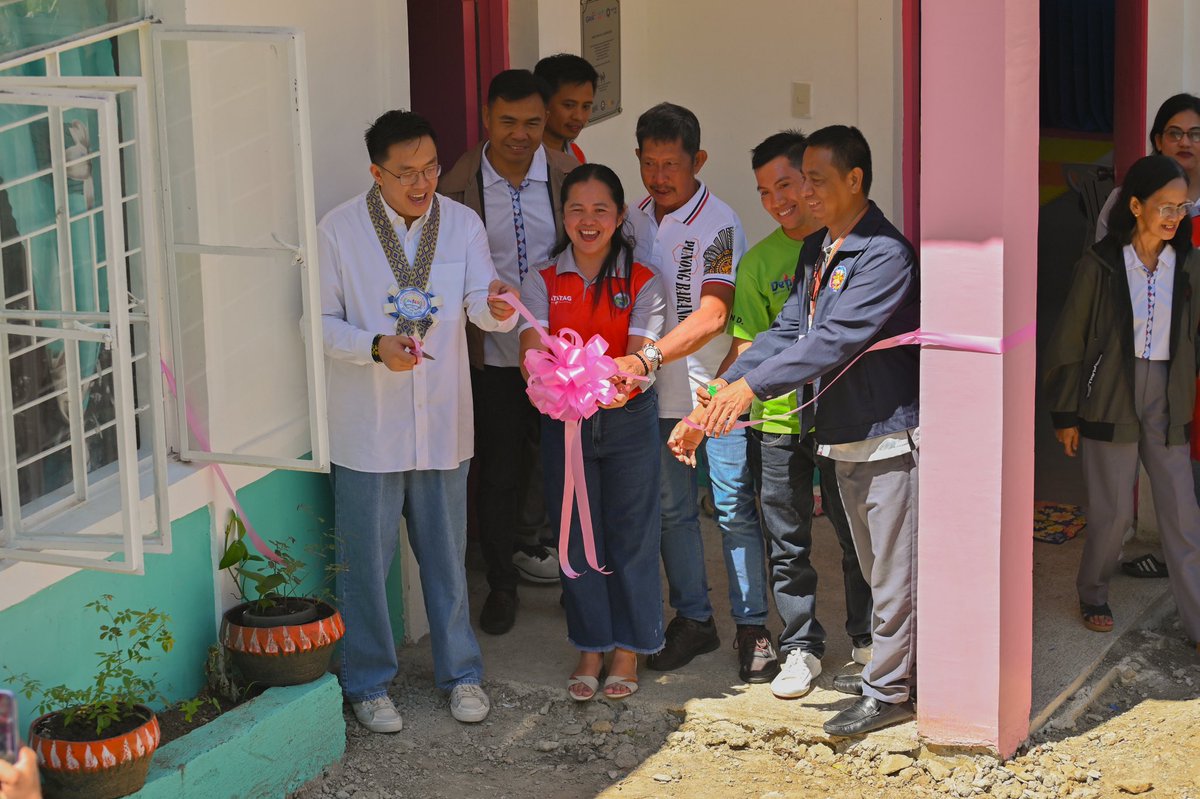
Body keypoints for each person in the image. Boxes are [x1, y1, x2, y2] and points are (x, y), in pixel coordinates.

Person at [700, 125, 920, 736]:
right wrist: (727, 385)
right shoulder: (820, 249)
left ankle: (889, 687)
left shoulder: (884, 254)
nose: (807, 195)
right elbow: (785, 329)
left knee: (890, 570)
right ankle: (891, 670)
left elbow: (833, 339)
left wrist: (751, 388)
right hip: (841, 430)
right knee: (878, 565)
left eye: (816, 180)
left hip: (884, 432)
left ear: (855, 180)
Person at [320, 110, 518, 732]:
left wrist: (495, 308)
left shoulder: (460, 224)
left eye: (430, 167)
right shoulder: (338, 231)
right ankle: (368, 683)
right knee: (366, 565)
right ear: (377, 173)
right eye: (406, 172)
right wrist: (374, 346)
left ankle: (461, 674)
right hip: (367, 428)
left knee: (446, 558)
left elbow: (483, 306)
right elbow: (316, 323)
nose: (422, 182)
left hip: (441, 423)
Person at [670, 130, 873, 699]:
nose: (780, 199)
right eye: (764, 191)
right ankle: (801, 647)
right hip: (778, 424)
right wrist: (708, 408)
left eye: (788, 183)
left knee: (856, 539)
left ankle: (868, 642)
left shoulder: (850, 247)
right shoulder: (760, 262)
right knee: (788, 543)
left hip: (841, 421)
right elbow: (752, 344)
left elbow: (832, 340)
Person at [610, 103, 757, 679]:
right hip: (651, 396)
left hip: (712, 393)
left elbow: (716, 315)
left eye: (671, 164)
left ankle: (754, 628)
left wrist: (646, 356)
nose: (659, 176)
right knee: (672, 512)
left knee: (732, 511)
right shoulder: (633, 218)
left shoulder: (720, 223)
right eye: (649, 163)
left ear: (698, 160)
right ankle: (695, 620)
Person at [519, 163, 668, 701]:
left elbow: (638, 359)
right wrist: (549, 378)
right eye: (576, 209)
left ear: (621, 215)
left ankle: (628, 648)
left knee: (632, 535)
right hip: (566, 424)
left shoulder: (643, 280)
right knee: (577, 539)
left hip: (627, 421)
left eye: (600, 209)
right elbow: (531, 352)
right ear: (563, 216)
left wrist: (608, 380)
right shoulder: (542, 280)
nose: (588, 220)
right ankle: (590, 644)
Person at [442, 70, 580, 633]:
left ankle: (580, 584)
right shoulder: (455, 185)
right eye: (507, 122)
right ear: (486, 119)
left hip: (563, 358)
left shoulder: (572, 177)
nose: (520, 134)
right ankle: (502, 586)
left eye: (531, 122)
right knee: (498, 472)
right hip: (492, 357)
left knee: (567, 469)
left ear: (544, 120)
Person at [1044, 154, 1200, 649]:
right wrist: (1066, 412)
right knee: (1112, 515)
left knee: (1182, 512)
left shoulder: (1188, 264)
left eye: (1182, 207)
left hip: (1168, 397)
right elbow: (1070, 340)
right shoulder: (1102, 265)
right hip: (1109, 396)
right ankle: (1093, 592)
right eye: (1164, 207)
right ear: (1135, 205)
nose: (1174, 217)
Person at [1094, 93, 1200, 581]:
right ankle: (1094, 584)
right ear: (1157, 140)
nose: (1185, 142)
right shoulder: (1125, 203)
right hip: (1137, 363)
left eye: (1195, 134)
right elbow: (1101, 278)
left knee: (1183, 496)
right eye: (1174, 133)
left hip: (1186, 362)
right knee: (1118, 499)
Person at [534, 53, 597, 164]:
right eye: (568, 105)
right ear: (542, 102)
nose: (579, 116)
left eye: (586, 106)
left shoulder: (576, 155)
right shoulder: (525, 161)